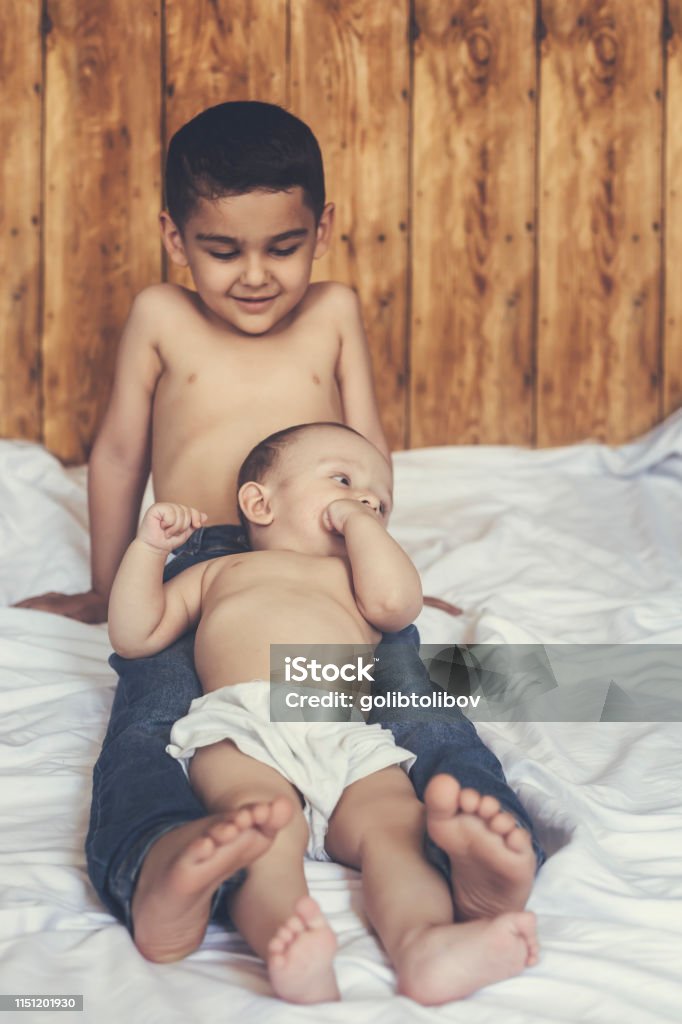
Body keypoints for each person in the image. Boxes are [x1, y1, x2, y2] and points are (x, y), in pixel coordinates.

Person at [14, 101, 543, 951]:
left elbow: (369, 451)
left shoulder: (334, 312)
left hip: (328, 555)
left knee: (422, 700)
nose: (254, 274)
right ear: (175, 237)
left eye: (282, 246)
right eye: (222, 250)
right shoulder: (161, 315)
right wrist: (110, 581)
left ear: (322, 228)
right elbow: (117, 456)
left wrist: (376, 557)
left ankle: (476, 846)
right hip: (196, 556)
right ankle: (152, 857)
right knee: (151, 711)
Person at [108, 422, 539, 1004]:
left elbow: (397, 605)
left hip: (343, 731)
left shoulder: (356, 581)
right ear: (260, 503)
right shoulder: (217, 572)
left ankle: (425, 942)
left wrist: (359, 525)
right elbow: (137, 637)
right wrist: (149, 550)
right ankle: (289, 942)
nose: (365, 499)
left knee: (397, 827)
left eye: (380, 504)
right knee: (263, 826)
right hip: (242, 728)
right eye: (343, 480)